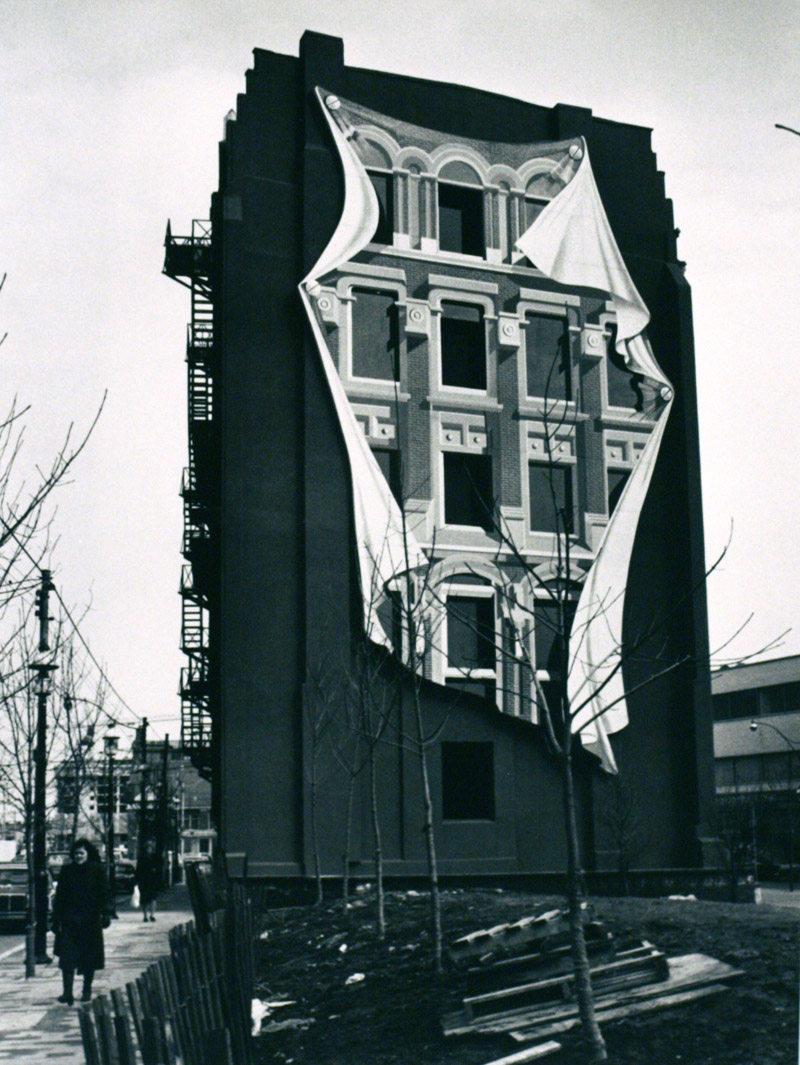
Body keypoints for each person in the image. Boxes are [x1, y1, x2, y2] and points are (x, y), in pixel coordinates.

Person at [52, 838, 113, 1005]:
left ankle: (87, 990)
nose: (78, 856)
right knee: (67, 957)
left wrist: (106, 913)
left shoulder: (97, 870)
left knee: (89, 957)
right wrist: (55, 919)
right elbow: (60, 896)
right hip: (69, 920)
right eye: (76, 853)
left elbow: (105, 892)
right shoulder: (67, 870)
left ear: (88, 854)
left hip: (90, 921)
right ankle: (67, 992)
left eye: (82, 853)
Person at [134, 837, 162, 922]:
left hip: (152, 881)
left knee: (153, 898)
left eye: (150, 848)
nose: (149, 849)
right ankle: (145, 915)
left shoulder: (155, 857)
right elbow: (138, 870)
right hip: (144, 881)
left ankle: (152, 914)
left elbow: (159, 869)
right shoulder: (142, 858)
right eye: (148, 848)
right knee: (144, 899)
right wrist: (136, 881)